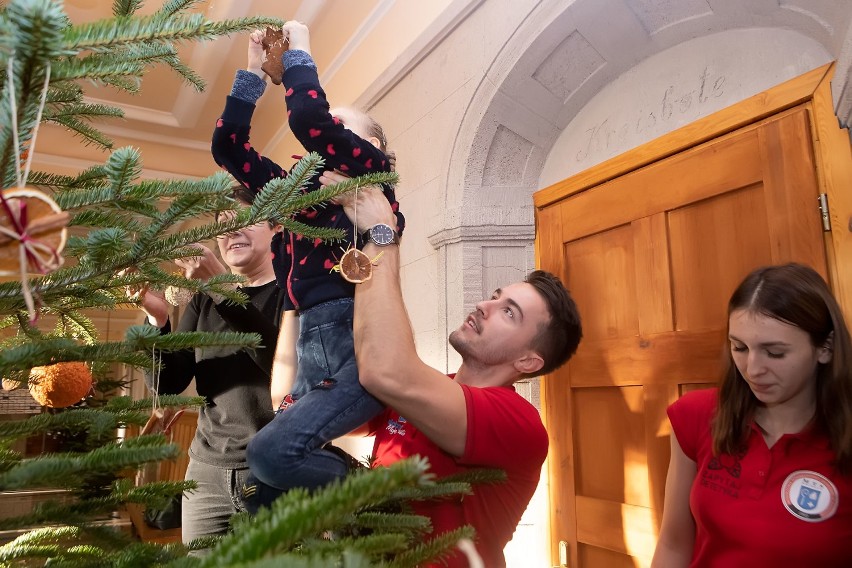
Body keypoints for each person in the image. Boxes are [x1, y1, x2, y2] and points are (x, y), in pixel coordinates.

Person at [331, 180, 583, 568]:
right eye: (496, 296)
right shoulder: (429, 391)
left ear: (529, 362)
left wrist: (382, 233)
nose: (485, 305)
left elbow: (386, 371)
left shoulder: (520, 423)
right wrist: (296, 287)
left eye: (509, 312)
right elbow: (292, 401)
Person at [211, 21, 405, 506]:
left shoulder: (374, 181)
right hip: (308, 361)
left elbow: (309, 121)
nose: (320, 148)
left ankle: (378, 495)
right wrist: (253, 73)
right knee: (259, 488)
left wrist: (299, 48)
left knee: (271, 455)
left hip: (357, 356)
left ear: (374, 151)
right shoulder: (299, 198)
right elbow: (228, 147)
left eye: (340, 132)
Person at [652, 263, 852, 567]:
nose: (753, 369)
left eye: (775, 353)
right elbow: (673, 544)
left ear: (824, 348)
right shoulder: (696, 415)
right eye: (740, 347)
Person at [137, 186, 284, 543]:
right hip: (205, 472)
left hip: (274, 471)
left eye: (245, 219)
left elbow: (282, 364)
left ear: (277, 228)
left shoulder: (293, 293)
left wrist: (220, 285)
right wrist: (156, 322)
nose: (231, 230)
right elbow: (168, 382)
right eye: (223, 224)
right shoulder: (204, 301)